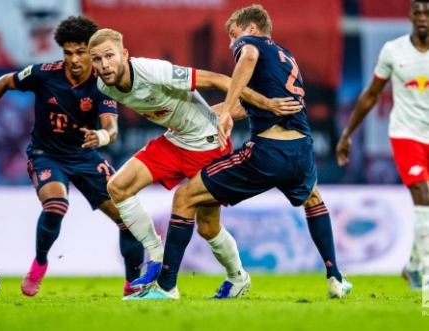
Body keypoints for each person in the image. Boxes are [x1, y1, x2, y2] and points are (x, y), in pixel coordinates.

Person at [131, 4, 353, 300]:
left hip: (268, 153)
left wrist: (227, 105)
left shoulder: (250, 45)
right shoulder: (284, 58)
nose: (231, 43)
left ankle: (167, 286)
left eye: (233, 35)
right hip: (301, 150)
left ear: (250, 29)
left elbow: (246, 58)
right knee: (313, 198)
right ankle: (336, 277)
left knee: (185, 197)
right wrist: (203, 117)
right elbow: (239, 108)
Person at [87, 27, 303, 300]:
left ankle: (238, 279)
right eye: (97, 59)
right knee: (117, 187)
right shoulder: (104, 85)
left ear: (124, 55)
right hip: (176, 140)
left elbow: (217, 79)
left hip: (207, 143)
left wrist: (264, 103)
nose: (104, 65)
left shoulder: (152, 71)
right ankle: (156, 258)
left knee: (208, 227)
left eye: (109, 56)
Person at [0, 16, 145, 297]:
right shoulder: (44, 73)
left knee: (129, 220)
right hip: (47, 154)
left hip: (85, 156)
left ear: (92, 52)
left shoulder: (102, 84)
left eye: (81, 52)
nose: (74, 59)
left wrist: (103, 136)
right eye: (68, 52)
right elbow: (4, 82)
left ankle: (133, 286)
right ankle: (40, 263)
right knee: (56, 205)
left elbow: (111, 127)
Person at [336, 0, 429, 290]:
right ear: (410, 17)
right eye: (418, 13)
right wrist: (347, 133)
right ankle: (425, 276)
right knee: (423, 195)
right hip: (406, 135)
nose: (423, 17)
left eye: (428, 12)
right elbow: (371, 94)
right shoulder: (393, 51)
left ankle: (413, 265)